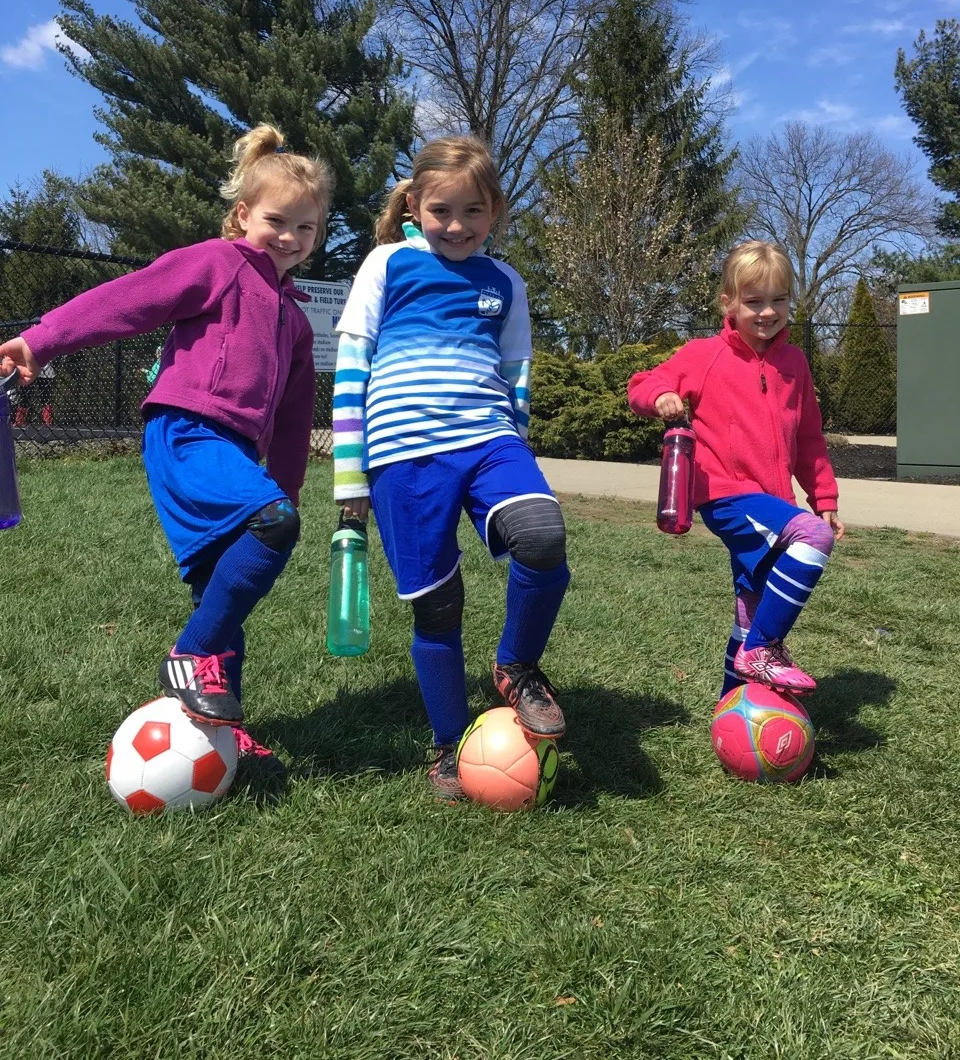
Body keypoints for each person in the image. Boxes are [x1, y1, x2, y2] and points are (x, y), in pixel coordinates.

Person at [0, 125, 329, 766]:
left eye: (307, 228)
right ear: (242, 216)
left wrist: (285, 488)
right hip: (186, 431)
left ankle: (218, 736)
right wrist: (39, 340)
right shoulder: (216, 262)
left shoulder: (293, 317)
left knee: (221, 593)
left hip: (235, 453)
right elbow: (128, 300)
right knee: (267, 530)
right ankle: (189, 653)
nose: (290, 238)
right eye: (276, 221)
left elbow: (293, 420)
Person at [332, 135, 569, 798]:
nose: (457, 225)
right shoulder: (388, 265)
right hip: (402, 454)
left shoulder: (505, 283)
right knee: (438, 607)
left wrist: (515, 445)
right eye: (441, 210)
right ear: (414, 205)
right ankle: (445, 744)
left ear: (495, 211)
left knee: (543, 538)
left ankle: (516, 666)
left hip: (490, 440)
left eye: (473, 211)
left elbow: (517, 373)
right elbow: (353, 369)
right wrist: (350, 480)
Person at [628, 240, 844, 699]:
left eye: (778, 300)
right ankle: (763, 650)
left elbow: (808, 437)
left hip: (775, 502)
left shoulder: (795, 363)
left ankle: (735, 704)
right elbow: (645, 383)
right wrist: (661, 397)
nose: (768, 312)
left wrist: (823, 498)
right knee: (813, 538)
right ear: (728, 302)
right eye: (754, 302)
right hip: (725, 494)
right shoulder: (705, 354)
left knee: (752, 605)